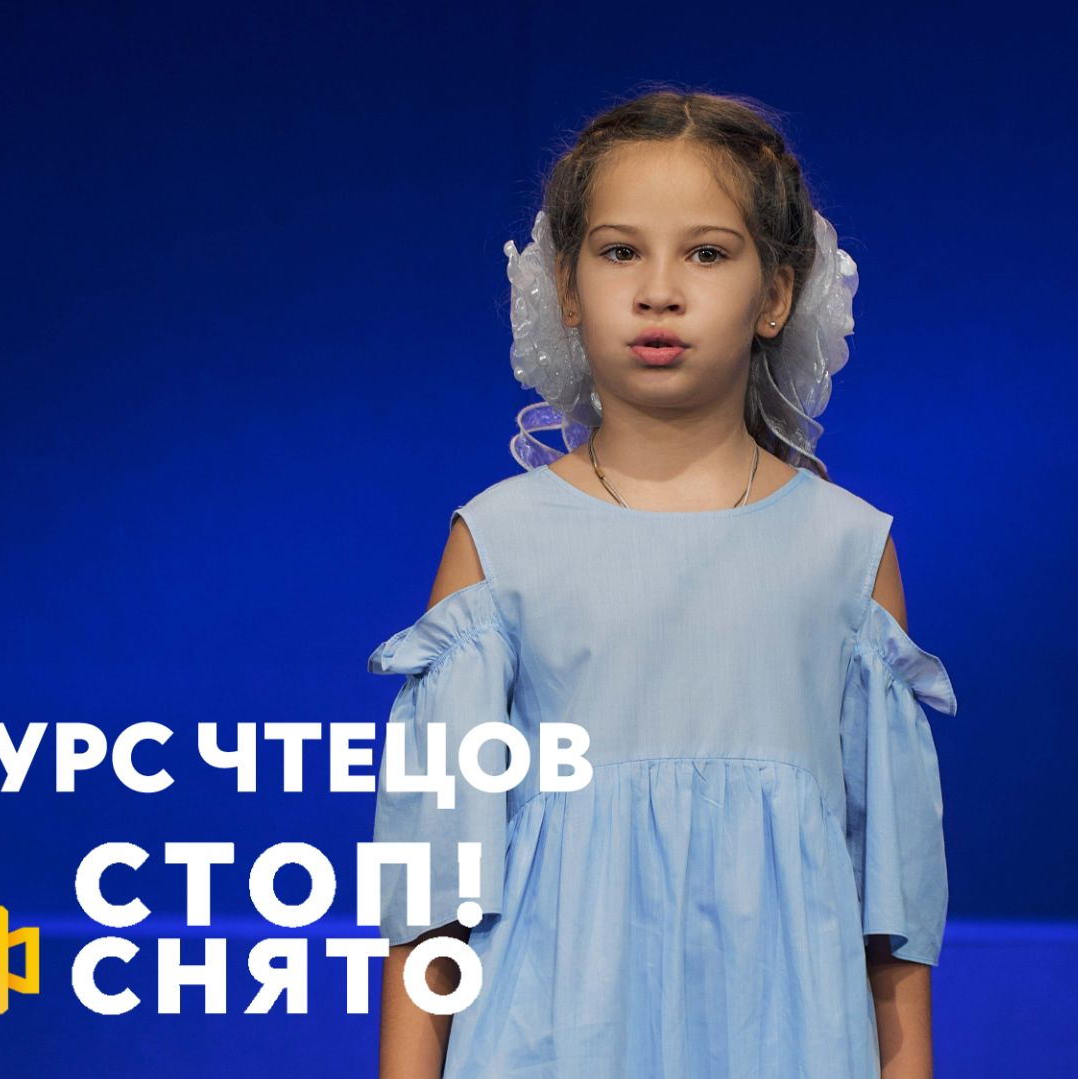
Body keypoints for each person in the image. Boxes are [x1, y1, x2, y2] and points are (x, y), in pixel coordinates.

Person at [369, 86, 959, 1079]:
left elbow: (893, 920)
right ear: (565, 288)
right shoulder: (499, 543)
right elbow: (431, 895)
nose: (658, 291)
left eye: (708, 253)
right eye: (618, 251)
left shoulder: (845, 550)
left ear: (777, 294)